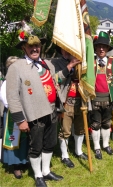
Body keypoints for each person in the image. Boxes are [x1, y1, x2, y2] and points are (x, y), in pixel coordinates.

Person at [6, 32, 63, 187]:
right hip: (34, 114)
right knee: (36, 147)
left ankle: (46, 171)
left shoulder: (47, 64)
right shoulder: (16, 67)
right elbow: (12, 96)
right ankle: (38, 176)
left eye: (37, 45)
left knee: (50, 143)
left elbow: (55, 84)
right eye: (31, 46)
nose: (35, 48)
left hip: (51, 110)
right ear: (24, 47)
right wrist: (20, 120)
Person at [51, 47, 88, 168]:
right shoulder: (56, 63)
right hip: (66, 102)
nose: (67, 52)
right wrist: (70, 65)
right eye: (64, 49)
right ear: (61, 50)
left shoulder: (83, 61)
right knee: (65, 131)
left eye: (69, 49)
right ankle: (65, 156)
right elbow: (56, 79)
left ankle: (79, 151)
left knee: (80, 128)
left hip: (81, 101)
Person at [90, 31, 113, 159]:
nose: (101, 49)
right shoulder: (90, 62)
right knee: (95, 124)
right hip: (95, 99)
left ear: (108, 49)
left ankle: (105, 144)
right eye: (99, 47)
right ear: (96, 49)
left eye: (104, 47)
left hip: (109, 98)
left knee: (106, 123)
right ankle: (97, 147)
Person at [0, 56, 29, 179]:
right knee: (13, 139)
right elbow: (5, 100)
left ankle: (24, 160)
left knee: (24, 139)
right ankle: (16, 165)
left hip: (25, 112)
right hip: (13, 114)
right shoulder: (7, 82)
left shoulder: (23, 79)